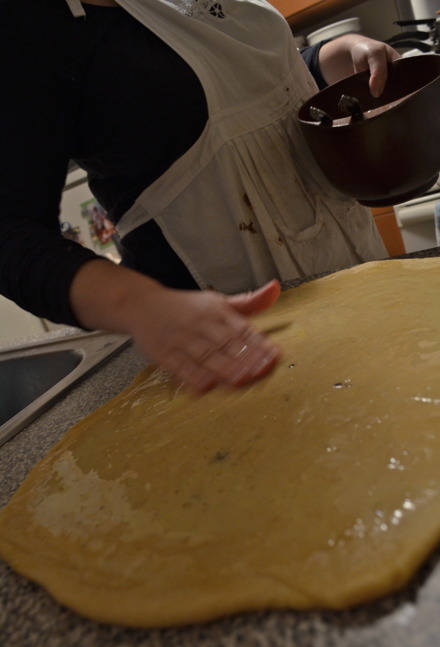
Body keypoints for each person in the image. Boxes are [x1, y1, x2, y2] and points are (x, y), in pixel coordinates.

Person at [0, 0, 400, 393]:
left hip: (349, 267)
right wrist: (139, 305)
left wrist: (328, 60)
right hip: (227, 345)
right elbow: (10, 230)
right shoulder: (29, 24)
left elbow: (241, 84)